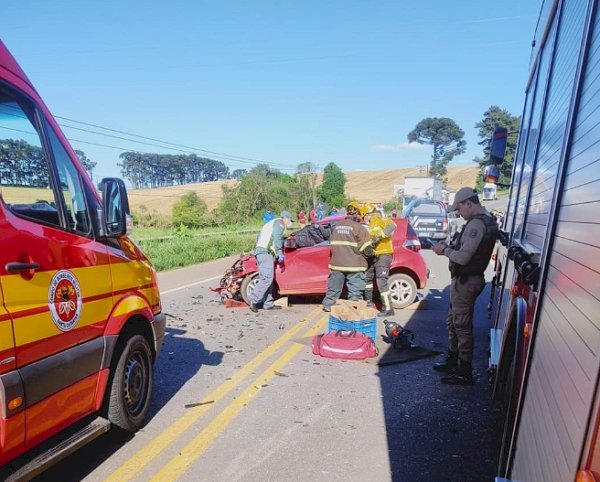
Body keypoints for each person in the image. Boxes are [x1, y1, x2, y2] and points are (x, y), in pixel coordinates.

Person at [431, 187, 499, 385]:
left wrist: (443, 250)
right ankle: (453, 361)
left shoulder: (476, 224)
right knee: (454, 322)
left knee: (461, 325)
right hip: (465, 280)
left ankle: (464, 370)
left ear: (469, 203)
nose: (458, 213)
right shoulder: (482, 220)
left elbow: (463, 257)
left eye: (459, 208)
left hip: (467, 281)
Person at [322, 202, 373, 311]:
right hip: (355, 266)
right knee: (355, 291)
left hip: (337, 264)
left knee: (334, 288)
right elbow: (367, 250)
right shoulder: (359, 228)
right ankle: (353, 308)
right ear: (358, 214)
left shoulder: (336, 227)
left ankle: (328, 305)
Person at [248, 211, 294, 312]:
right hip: (266, 253)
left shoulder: (270, 223)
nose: (290, 223)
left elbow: (259, 237)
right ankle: (253, 299)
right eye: (290, 220)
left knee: (268, 278)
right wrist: (279, 252)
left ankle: (268, 303)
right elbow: (277, 238)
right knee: (267, 278)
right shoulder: (280, 223)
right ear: (285, 218)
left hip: (261, 252)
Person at [362, 203, 397, 317]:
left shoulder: (380, 219)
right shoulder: (370, 226)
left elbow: (392, 226)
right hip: (375, 255)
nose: (365, 218)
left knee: (381, 281)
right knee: (368, 277)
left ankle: (388, 308)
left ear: (369, 214)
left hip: (384, 254)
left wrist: (380, 236)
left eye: (365, 216)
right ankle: (368, 302)